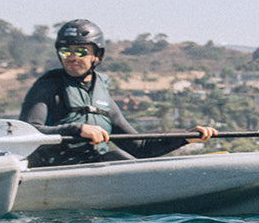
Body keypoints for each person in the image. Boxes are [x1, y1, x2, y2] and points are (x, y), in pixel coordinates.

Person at [18, 19, 217, 168]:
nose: (71, 57)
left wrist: (185, 138)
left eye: (80, 52)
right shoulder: (47, 88)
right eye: (65, 51)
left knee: (120, 158)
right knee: (116, 159)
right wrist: (76, 129)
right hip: (55, 172)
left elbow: (141, 149)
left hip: (95, 170)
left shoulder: (104, 101)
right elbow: (27, 133)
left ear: (97, 55)